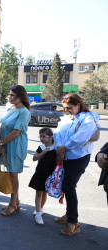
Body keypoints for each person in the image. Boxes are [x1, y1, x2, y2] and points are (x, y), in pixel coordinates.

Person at [54, 93, 100, 236]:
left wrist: (64, 147)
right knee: (66, 186)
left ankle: (73, 222)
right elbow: (57, 133)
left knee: (69, 185)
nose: (67, 111)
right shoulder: (67, 118)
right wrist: (60, 148)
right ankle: (69, 215)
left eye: (70, 107)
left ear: (79, 105)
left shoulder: (89, 117)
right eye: (65, 108)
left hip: (79, 157)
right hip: (66, 156)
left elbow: (81, 137)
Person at [0, 85, 31, 216]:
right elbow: (3, 124)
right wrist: (0, 144)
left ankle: (13, 204)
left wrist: (2, 143)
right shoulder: (10, 108)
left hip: (15, 145)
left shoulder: (24, 112)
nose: (9, 97)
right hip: (5, 144)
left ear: (20, 97)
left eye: (12, 95)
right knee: (11, 173)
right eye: (9, 94)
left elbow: (16, 132)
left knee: (13, 175)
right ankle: (16, 202)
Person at [28, 128, 57, 225]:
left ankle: (40, 208)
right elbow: (34, 158)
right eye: (40, 136)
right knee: (38, 193)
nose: (41, 138)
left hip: (50, 175)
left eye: (44, 136)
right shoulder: (41, 147)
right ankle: (38, 214)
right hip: (40, 173)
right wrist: (43, 152)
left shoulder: (56, 148)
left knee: (44, 193)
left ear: (51, 136)